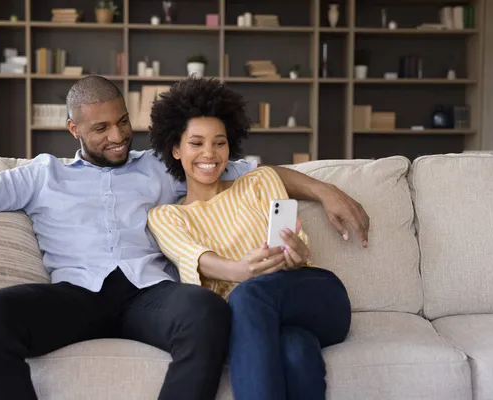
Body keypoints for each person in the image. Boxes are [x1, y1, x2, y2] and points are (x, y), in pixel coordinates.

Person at [0, 76, 368, 400]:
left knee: (206, 309)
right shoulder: (42, 174)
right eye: (100, 129)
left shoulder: (161, 162)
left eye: (121, 123)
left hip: (149, 295)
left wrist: (323, 189)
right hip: (74, 295)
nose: (116, 137)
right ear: (74, 129)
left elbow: (252, 174)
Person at [147, 78, 353, 400]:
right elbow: (199, 260)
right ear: (175, 149)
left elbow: (294, 252)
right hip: (256, 316)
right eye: (196, 143)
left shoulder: (260, 181)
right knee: (295, 349)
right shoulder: (167, 216)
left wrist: (297, 255)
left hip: (315, 297)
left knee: (249, 295)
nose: (210, 154)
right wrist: (242, 270)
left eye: (219, 142)